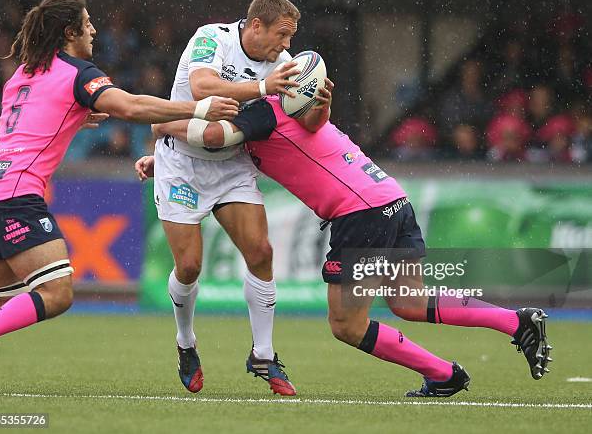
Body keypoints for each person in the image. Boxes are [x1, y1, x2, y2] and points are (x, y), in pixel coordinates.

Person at [136, 90, 553, 397]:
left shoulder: (262, 111)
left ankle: (445, 372)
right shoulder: (279, 112)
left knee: (346, 325)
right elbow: (238, 156)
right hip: (391, 199)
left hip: (361, 215)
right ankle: (513, 324)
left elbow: (214, 137)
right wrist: (167, 159)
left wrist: (162, 125)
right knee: (409, 301)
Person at [0, 0, 239, 395]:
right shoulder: (79, 72)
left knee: (7, 301)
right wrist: (198, 109)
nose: (94, 30)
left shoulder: (23, 73)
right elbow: (133, 107)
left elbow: (24, 124)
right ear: (70, 32)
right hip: (17, 194)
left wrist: (74, 118)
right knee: (57, 292)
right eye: (87, 23)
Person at [149, 0, 314, 396]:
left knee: (261, 252)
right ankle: (186, 343)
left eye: (291, 38)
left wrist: (319, 99)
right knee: (188, 266)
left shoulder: (280, 65)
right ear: (256, 25)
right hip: (181, 165)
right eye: (282, 34)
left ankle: (263, 354)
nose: (287, 45)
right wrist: (262, 87)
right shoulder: (212, 38)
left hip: (231, 165)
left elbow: (304, 119)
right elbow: (201, 85)